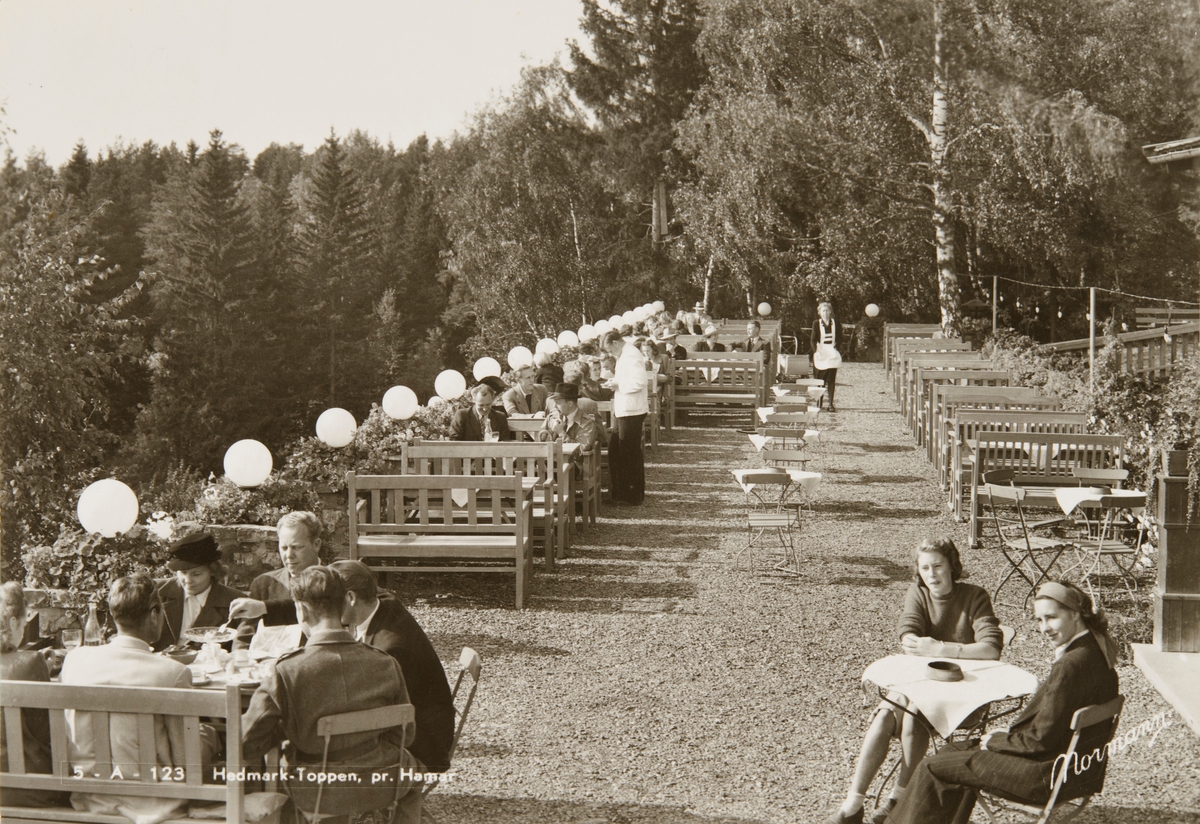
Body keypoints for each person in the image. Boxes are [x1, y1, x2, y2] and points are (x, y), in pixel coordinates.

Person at [886, 581, 1120, 824]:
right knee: (951, 752)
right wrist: (1004, 738)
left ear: (1075, 613)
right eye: (1039, 620)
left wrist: (997, 740)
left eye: (1051, 617)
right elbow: (1052, 729)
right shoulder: (1096, 650)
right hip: (1077, 772)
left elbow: (1040, 740)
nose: (1044, 628)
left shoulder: (1070, 665)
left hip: (1045, 775)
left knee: (932, 766)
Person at [826, 538, 1003, 824]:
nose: (932, 575)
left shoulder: (974, 596)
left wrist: (941, 649)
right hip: (924, 685)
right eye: (925, 568)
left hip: (963, 695)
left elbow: (991, 648)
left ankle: (898, 799)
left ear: (952, 567)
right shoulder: (918, 593)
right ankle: (853, 804)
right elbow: (908, 630)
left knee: (912, 715)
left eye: (938, 566)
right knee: (884, 716)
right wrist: (910, 640)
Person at [241, 567, 422, 824]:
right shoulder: (385, 662)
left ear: (301, 611)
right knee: (411, 777)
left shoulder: (286, 670)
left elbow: (247, 742)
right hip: (384, 780)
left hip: (318, 790)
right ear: (343, 605)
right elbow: (406, 733)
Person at [61, 575, 217, 824]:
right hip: (154, 804)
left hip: (91, 800)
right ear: (154, 614)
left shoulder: (75, 660)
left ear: (114, 615)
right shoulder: (172, 673)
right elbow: (187, 760)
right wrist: (210, 736)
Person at [330, 560, 455, 773]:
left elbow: (370, 707)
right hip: (420, 720)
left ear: (351, 598)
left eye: (331, 600)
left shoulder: (388, 649)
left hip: (422, 742)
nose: (327, 607)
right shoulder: (383, 602)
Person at [0, 581, 71, 808]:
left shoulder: (30, 662)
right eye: (23, 621)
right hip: (25, 791)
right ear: (12, 622)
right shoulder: (31, 663)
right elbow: (47, 735)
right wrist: (38, 668)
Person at [231, 511, 326, 644]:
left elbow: (316, 609)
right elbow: (244, 638)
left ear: (316, 545)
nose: (289, 555)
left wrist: (264, 607)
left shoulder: (335, 580)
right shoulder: (264, 583)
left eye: (297, 547)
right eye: (284, 547)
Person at [153, 531, 244, 651]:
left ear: (213, 571)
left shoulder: (235, 600)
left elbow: (242, 646)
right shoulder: (155, 592)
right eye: (183, 573)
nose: (188, 580)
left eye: (196, 574)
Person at [600, 330, 649, 505]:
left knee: (629, 453)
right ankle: (621, 492)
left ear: (615, 342)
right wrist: (615, 382)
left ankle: (633, 496)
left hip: (632, 411)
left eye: (610, 350)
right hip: (626, 410)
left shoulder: (631, 355)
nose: (610, 354)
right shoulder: (625, 354)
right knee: (617, 450)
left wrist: (617, 384)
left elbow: (640, 382)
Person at [542, 382, 599, 463]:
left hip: (572, 465)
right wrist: (549, 433)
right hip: (549, 462)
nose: (554, 406)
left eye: (558, 403)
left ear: (570, 403)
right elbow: (540, 441)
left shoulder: (586, 423)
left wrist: (561, 433)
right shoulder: (552, 417)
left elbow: (580, 452)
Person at [449, 377, 510, 442]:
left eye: (488, 404)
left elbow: (505, 443)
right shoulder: (462, 416)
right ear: (474, 401)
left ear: (492, 400)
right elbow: (454, 442)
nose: (485, 408)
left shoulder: (500, 417)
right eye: (481, 405)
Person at [811, 300, 842, 412]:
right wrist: (816, 352)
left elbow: (840, 338)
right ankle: (819, 403)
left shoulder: (836, 323)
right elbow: (813, 340)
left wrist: (835, 349)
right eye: (823, 311)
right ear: (819, 312)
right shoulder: (816, 323)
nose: (825, 313)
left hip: (832, 353)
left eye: (827, 310)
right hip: (821, 352)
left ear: (830, 312)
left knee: (831, 379)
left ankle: (830, 404)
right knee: (820, 380)